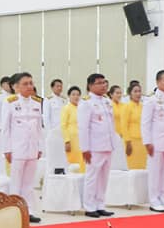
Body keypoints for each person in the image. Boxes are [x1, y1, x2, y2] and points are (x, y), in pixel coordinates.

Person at [2, 72, 43, 223]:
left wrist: (40, 147)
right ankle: (15, 212)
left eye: (31, 83)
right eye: (25, 84)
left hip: (32, 148)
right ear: (16, 87)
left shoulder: (37, 103)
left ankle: (29, 211)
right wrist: (7, 149)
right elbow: (5, 128)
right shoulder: (10, 102)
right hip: (17, 148)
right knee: (16, 182)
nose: (29, 86)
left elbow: (39, 127)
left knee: (29, 183)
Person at [77, 74, 115, 219]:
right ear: (90, 86)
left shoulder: (107, 101)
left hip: (107, 145)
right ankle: (89, 206)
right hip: (94, 147)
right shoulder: (86, 103)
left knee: (103, 178)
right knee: (92, 177)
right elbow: (83, 128)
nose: (103, 85)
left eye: (104, 82)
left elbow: (110, 124)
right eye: (99, 83)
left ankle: (100, 204)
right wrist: (85, 148)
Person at [141, 70, 164, 212]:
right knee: (155, 172)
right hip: (156, 142)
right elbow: (145, 123)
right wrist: (147, 142)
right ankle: (154, 200)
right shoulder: (151, 99)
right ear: (158, 82)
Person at [43, 79, 67, 175]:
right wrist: (49, 131)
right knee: (53, 153)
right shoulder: (48, 100)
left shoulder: (64, 100)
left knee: (62, 153)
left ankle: (62, 170)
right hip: (53, 132)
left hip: (63, 131)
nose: (59, 88)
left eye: (61, 86)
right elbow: (46, 117)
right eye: (57, 86)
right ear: (52, 87)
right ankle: (52, 173)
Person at [120, 82, 146, 169]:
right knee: (133, 166)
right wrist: (127, 142)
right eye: (135, 91)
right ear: (130, 93)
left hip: (143, 140)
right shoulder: (127, 107)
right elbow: (124, 125)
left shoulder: (143, 107)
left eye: (139, 91)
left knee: (143, 166)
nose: (138, 94)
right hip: (132, 141)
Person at [60, 86, 84, 172]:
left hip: (81, 139)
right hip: (71, 140)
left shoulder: (81, 108)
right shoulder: (66, 108)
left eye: (78, 95)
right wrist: (67, 141)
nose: (76, 97)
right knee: (72, 164)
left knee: (82, 162)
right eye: (73, 94)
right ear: (69, 96)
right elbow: (63, 125)